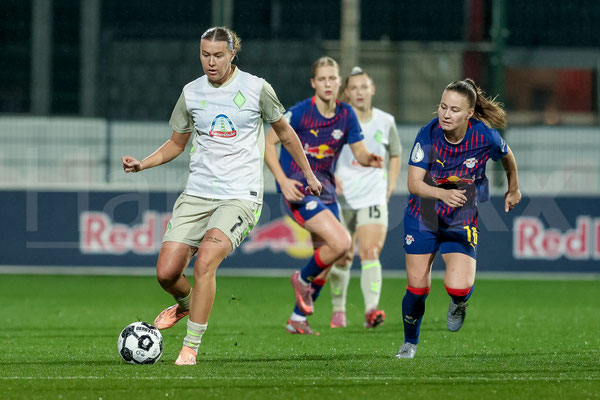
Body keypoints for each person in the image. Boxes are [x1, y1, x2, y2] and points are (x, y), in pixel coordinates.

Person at [121, 26, 321, 365]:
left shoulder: (256, 88)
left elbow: (285, 134)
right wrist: (143, 163)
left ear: (232, 54)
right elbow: (176, 144)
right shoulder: (191, 92)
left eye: (217, 55)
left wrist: (308, 174)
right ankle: (187, 304)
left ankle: (190, 347)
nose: (210, 62)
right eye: (205, 55)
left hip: (241, 196)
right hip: (197, 194)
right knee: (166, 273)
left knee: (206, 262)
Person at [395, 78, 521, 359]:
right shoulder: (427, 135)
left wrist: (513, 188)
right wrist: (442, 194)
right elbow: (413, 184)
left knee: (458, 287)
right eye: (443, 107)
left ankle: (459, 302)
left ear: (469, 114)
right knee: (417, 288)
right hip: (423, 215)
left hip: (461, 216)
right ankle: (409, 343)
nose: (445, 114)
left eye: (454, 109)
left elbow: (507, 155)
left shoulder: (484, 136)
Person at [264, 56, 383, 335]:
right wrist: (282, 181)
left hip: (326, 191)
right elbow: (268, 143)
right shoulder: (300, 113)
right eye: (322, 79)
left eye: (332, 78)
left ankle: (297, 319)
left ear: (339, 82)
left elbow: (359, 151)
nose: (328, 84)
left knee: (328, 259)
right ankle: (301, 278)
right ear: (313, 83)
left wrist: (369, 159)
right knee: (341, 243)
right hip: (299, 191)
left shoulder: (346, 114)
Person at [328, 67, 402, 329]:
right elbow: (324, 151)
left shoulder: (385, 120)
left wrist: (390, 184)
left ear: (373, 89)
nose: (359, 92)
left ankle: (371, 311)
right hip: (342, 196)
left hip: (373, 194)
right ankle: (339, 310)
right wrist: (330, 175)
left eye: (364, 87)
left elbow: (395, 153)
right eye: (354, 88)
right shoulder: (338, 119)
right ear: (347, 92)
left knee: (370, 252)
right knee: (343, 256)